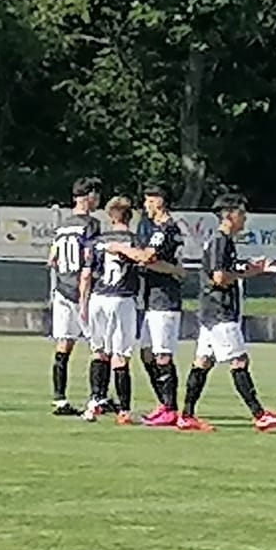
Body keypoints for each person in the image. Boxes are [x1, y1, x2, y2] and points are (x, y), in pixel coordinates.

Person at [177, 195, 276, 433]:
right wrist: (248, 273)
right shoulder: (220, 241)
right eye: (241, 213)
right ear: (229, 215)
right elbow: (219, 277)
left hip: (210, 311)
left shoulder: (222, 241)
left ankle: (186, 415)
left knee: (203, 362)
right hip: (220, 311)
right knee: (239, 361)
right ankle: (259, 415)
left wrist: (249, 268)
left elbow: (226, 269)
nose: (245, 218)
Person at [80, 196, 152, 424]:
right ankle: (124, 410)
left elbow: (86, 274)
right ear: (129, 217)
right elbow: (144, 260)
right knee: (120, 355)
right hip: (121, 299)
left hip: (97, 298)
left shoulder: (97, 241)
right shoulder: (135, 240)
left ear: (110, 216)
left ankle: (95, 401)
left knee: (98, 351)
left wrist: (83, 303)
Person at [48, 177, 102, 415]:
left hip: (62, 289)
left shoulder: (62, 226)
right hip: (81, 290)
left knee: (64, 344)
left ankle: (60, 399)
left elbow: (52, 259)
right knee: (98, 346)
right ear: (88, 197)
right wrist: (84, 295)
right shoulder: (91, 224)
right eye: (95, 195)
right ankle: (97, 398)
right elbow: (89, 261)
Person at [136, 185, 187, 426]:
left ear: (160, 202)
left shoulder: (166, 229)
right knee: (147, 353)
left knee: (162, 354)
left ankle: (170, 408)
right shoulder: (158, 229)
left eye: (149, 200)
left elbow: (148, 257)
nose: (146, 205)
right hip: (152, 298)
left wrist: (127, 252)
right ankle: (163, 403)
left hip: (165, 299)